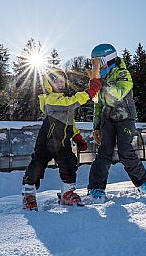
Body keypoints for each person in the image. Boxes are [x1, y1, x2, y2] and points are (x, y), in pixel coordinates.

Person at [22, 67, 102, 210]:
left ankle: (67, 193)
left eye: (62, 81)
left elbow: (70, 123)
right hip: (46, 141)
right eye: (57, 82)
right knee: (37, 166)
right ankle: (29, 194)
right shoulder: (51, 99)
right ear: (49, 84)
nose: (61, 84)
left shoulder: (65, 100)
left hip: (62, 142)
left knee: (70, 163)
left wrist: (77, 137)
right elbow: (70, 103)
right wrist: (88, 93)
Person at [87, 43, 146, 201]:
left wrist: (99, 83)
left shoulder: (123, 74)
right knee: (104, 153)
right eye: (93, 63)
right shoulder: (99, 79)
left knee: (125, 151)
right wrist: (96, 126)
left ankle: (143, 184)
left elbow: (116, 94)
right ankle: (96, 188)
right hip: (107, 119)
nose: (96, 67)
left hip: (125, 118)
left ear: (108, 60)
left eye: (98, 63)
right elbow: (98, 104)